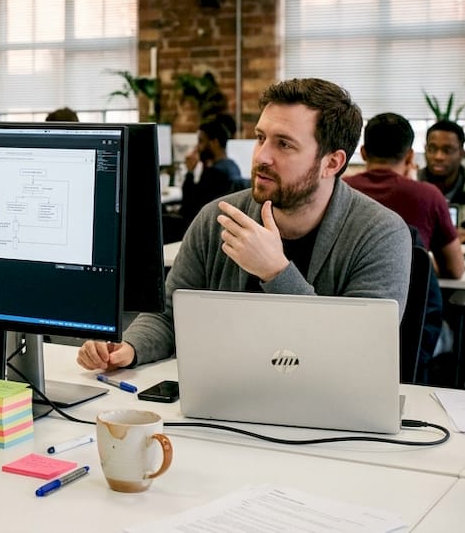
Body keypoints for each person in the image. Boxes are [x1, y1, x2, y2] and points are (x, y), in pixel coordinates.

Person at [77, 78, 410, 370]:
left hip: (325, 408)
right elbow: (168, 315)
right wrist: (130, 347)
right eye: (260, 138)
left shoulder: (380, 234)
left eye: (284, 144)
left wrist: (276, 273)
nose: (261, 156)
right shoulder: (216, 218)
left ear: (332, 162)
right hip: (221, 397)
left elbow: (356, 351)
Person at [345, 113, 464, 279]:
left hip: (343, 293)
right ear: (410, 156)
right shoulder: (428, 196)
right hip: (406, 294)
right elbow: (454, 269)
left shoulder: (339, 189)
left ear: (363, 153)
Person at [417, 120, 465, 242]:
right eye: (432, 149)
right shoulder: (413, 184)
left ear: (462, 153)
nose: (438, 156)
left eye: (447, 150)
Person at [179, 116, 244, 222]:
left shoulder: (214, 174)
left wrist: (190, 171)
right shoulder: (233, 166)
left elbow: (188, 209)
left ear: (215, 143)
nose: (197, 147)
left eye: (201, 141)